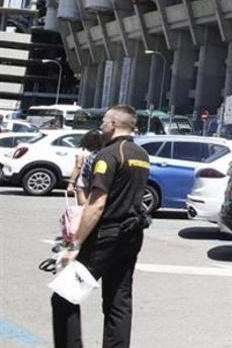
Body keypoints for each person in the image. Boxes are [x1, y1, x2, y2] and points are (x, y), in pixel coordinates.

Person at [51, 104, 151, 348]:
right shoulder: (141, 155)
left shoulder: (108, 155)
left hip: (106, 235)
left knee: (64, 295)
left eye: (105, 122)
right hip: (132, 234)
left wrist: (74, 244)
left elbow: (95, 205)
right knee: (118, 300)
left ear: (115, 124)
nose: (101, 127)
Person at [67, 130, 104, 207]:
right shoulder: (102, 151)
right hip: (96, 181)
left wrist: (71, 183)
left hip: (83, 182)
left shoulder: (82, 151)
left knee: (83, 207)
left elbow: (78, 167)